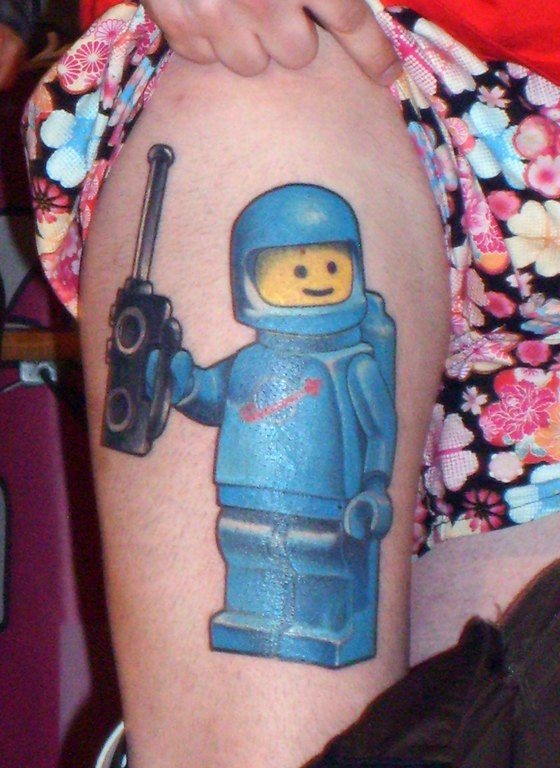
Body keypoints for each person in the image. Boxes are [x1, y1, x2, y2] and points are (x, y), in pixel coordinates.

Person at [23, 1, 560, 766]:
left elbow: (369, 426)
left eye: (322, 270)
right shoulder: (258, 351)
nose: (307, 283)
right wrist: (174, 375)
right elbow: (212, 394)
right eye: (289, 271)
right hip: (291, 55)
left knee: (507, 727)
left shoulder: (350, 359)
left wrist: (368, 489)